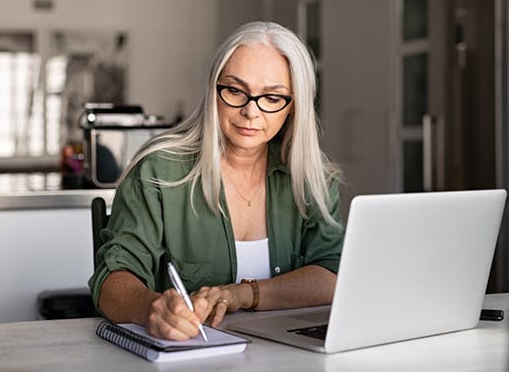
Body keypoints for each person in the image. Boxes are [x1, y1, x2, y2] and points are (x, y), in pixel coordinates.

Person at [88, 21, 344, 341]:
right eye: (236, 91)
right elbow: (111, 280)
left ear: (294, 106)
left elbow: (332, 275)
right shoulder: (157, 171)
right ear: (214, 90)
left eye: (273, 97)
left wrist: (241, 294)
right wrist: (150, 307)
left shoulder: (312, 177)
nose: (251, 111)